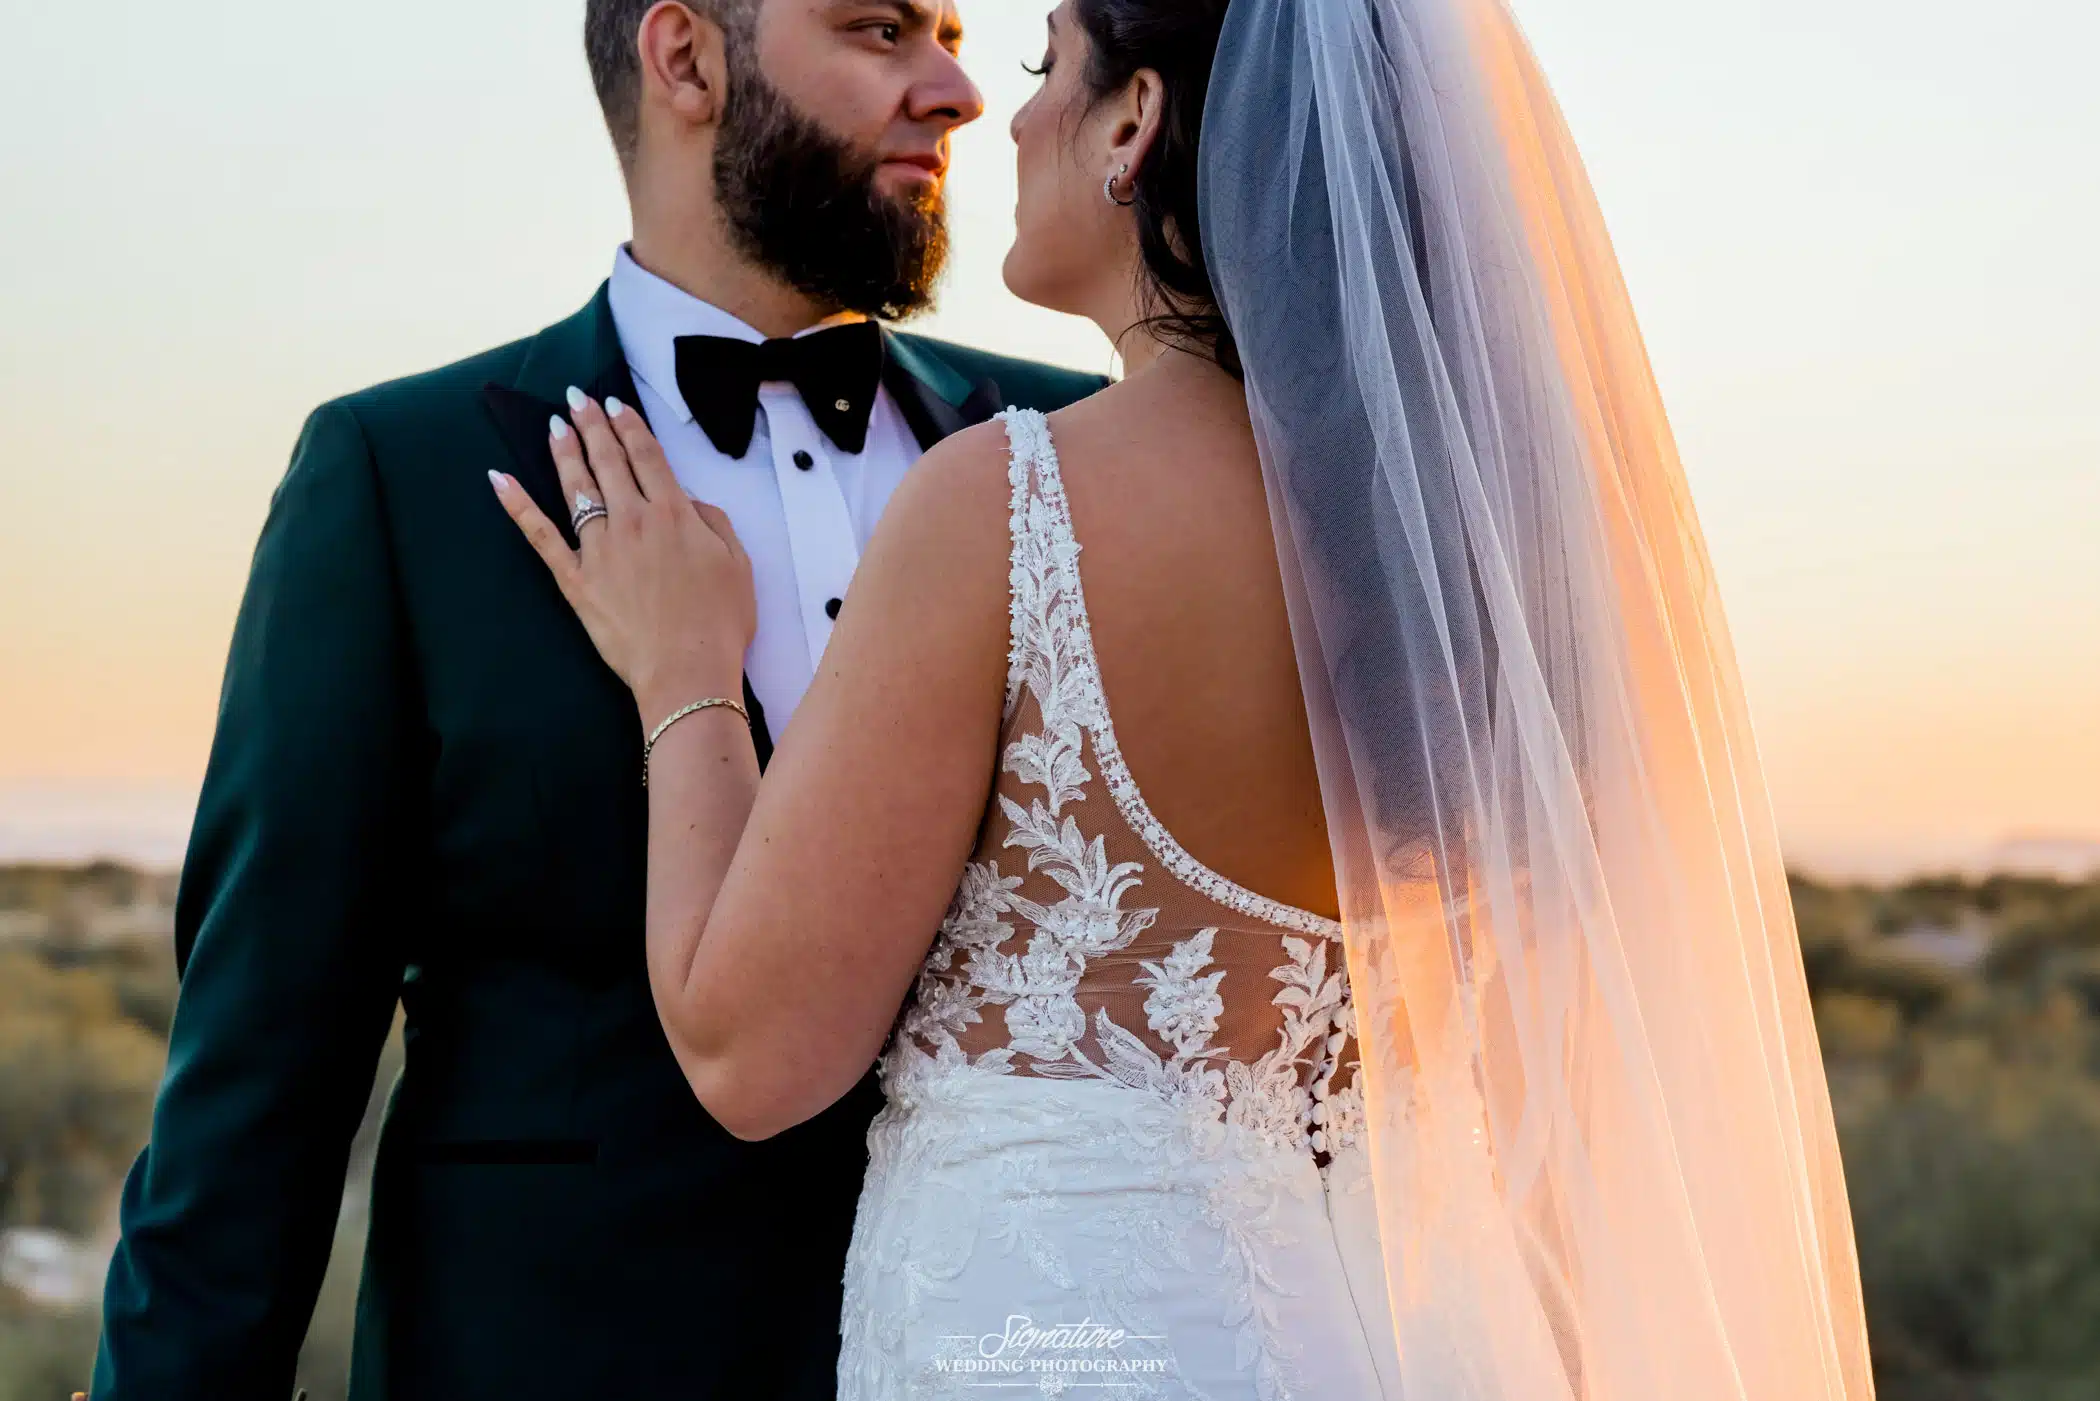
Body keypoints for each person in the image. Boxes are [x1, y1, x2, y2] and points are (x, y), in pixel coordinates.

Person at [497, 0, 1884, 1396]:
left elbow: (749, 1057)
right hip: (1429, 1344)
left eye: (1046, 62)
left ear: (1135, 121)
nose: (1003, 114)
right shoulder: (1486, 562)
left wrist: (685, 672)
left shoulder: (1010, 504)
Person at [89, 2, 1107, 1398]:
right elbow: (263, 1072)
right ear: (685, 57)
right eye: (880, 29)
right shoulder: (399, 479)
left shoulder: (1076, 451)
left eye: (950, 32)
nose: (954, 91)